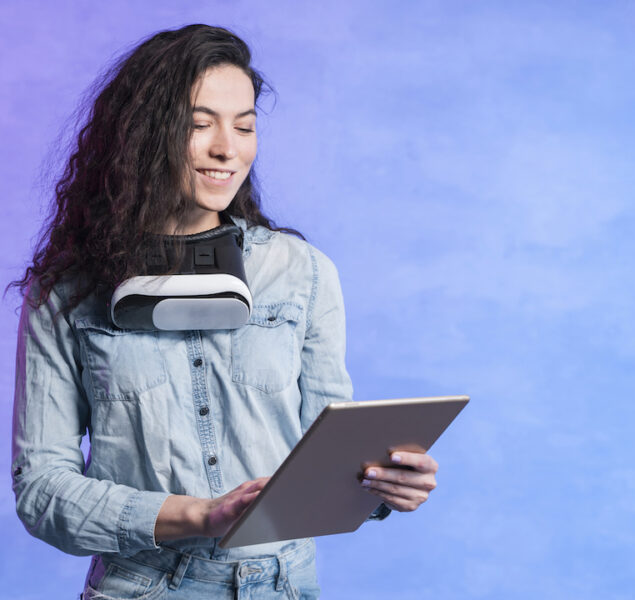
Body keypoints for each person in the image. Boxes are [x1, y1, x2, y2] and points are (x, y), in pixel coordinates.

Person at [11, 24, 438, 599]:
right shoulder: (64, 292)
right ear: (145, 133)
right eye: (199, 124)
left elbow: (327, 455)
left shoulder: (302, 272)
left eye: (245, 125)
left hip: (285, 585)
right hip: (144, 586)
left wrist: (384, 486)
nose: (227, 149)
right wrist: (197, 516)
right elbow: (42, 491)